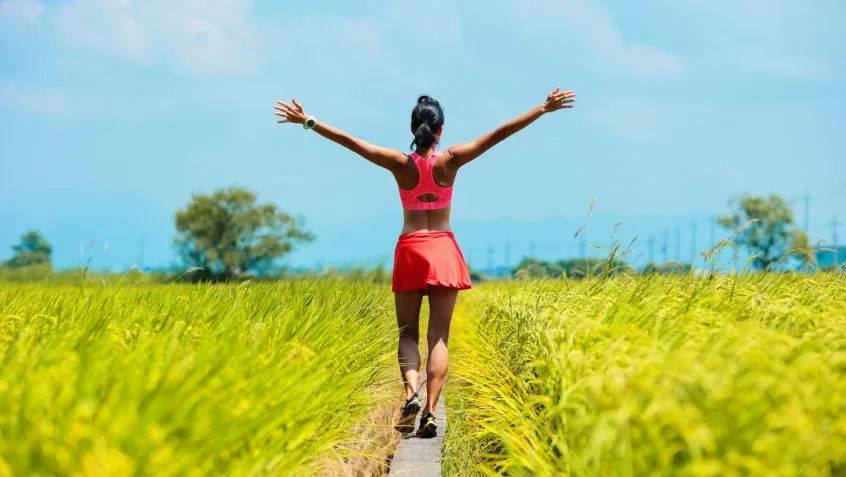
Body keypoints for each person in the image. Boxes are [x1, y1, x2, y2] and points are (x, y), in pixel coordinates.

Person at [273, 88, 576, 437]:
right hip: (444, 250)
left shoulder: (399, 164)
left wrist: (309, 121)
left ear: (413, 129)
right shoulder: (452, 159)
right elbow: (499, 134)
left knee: (407, 333)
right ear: (440, 130)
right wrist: (542, 108)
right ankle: (430, 411)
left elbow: (352, 143)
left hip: (411, 251)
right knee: (439, 337)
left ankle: (410, 393)